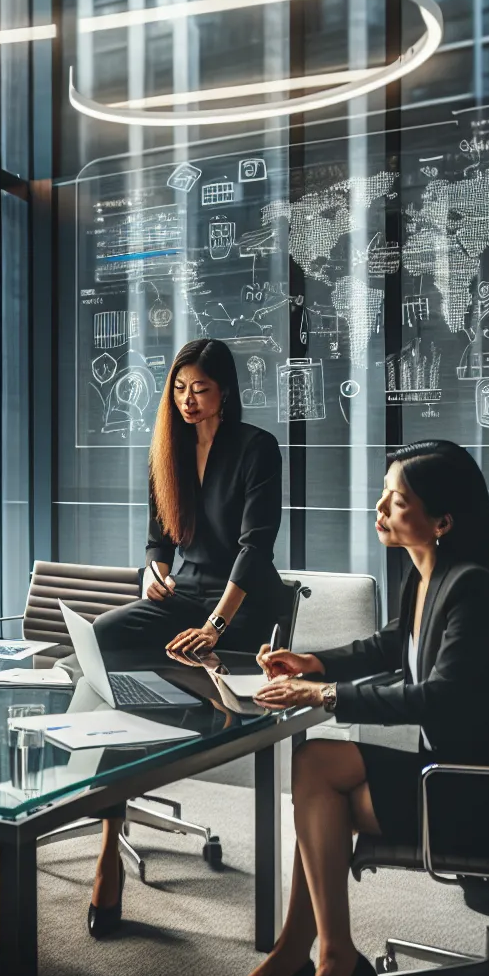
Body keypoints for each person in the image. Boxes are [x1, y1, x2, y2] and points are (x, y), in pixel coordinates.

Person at [221, 440, 489, 976]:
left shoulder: (473, 588)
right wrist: (313, 662)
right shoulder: (426, 573)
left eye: (397, 500)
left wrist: (320, 694)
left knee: (322, 796)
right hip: (452, 772)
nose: (380, 508)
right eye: (384, 494)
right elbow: (393, 644)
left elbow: (436, 698)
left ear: (442, 519)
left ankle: (319, 959)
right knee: (314, 766)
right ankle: (314, 956)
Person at [86, 337, 288, 937]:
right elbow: (157, 535)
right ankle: (123, 791)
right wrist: (154, 571)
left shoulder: (257, 448)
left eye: (199, 388)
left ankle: (117, 823)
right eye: (178, 389)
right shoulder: (166, 447)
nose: (187, 400)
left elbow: (256, 548)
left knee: (147, 667)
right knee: (103, 640)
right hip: (184, 596)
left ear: (225, 389)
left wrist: (215, 626)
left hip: (239, 604)